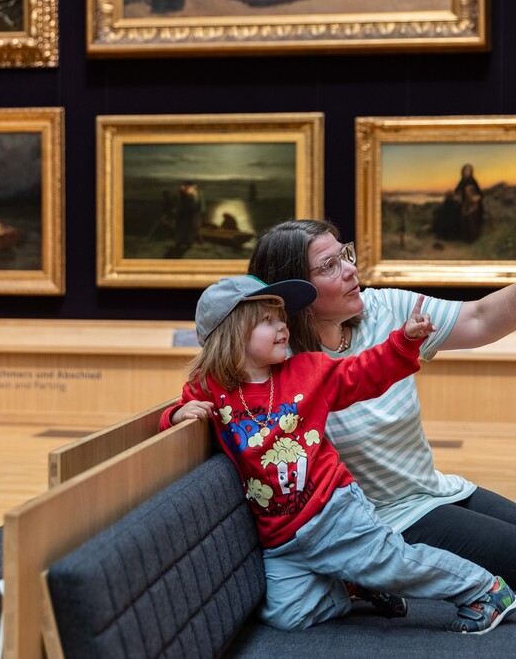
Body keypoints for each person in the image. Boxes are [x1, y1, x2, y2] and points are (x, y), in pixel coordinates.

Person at [160, 274, 516, 634]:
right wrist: (175, 415)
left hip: (335, 510)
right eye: (267, 321)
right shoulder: (210, 388)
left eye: (281, 318)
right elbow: (177, 412)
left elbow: (363, 372)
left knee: (397, 562)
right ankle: (356, 584)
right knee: (287, 614)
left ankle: (484, 589)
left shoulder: (307, 371)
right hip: (281, 535)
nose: (283, 327)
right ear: (231, 333)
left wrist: (404, 340)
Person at [247, 218, 516, 588]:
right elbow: (220, 385)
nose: (351, 269)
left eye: (344, 255)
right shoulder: (280, 363)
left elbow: (480, 319)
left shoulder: (383, 309)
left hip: (435, 491)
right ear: (295, 291)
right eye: (329, 266)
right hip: (383, 524)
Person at [454, 163, 484, 242]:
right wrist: (457, 196)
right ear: (463, 172)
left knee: (471, 219)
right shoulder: (462, 181)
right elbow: (456, 190)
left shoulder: (473, 180)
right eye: (465, 170)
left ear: (471, 172)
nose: (466, 172)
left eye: (468, 170)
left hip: (473, 204)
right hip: (464, 203)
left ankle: (472, 238)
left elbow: (479, 193)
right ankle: (463, 237)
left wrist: (476, 198)